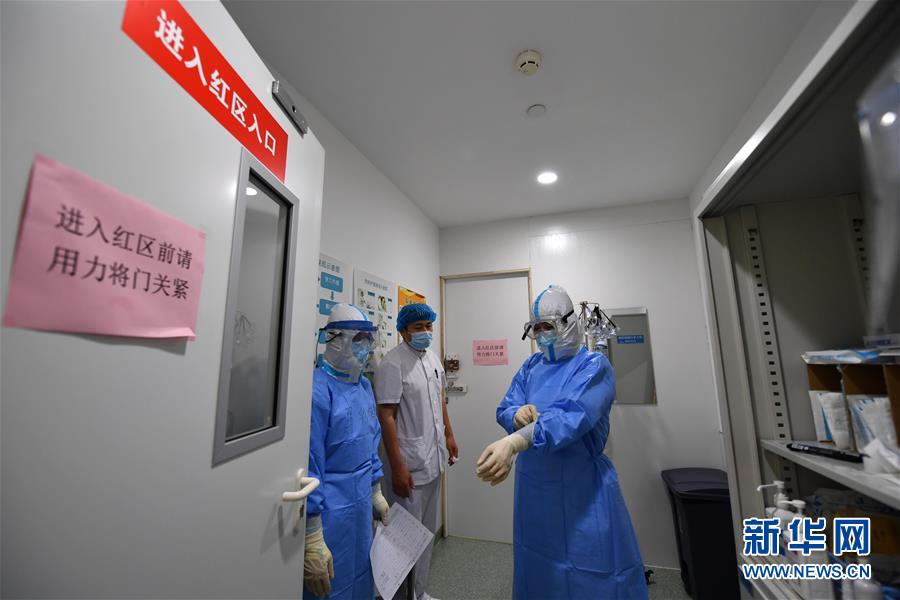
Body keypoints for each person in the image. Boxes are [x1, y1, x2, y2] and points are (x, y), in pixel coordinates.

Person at [476, 285, 648, 600]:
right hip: (534, 489)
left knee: (592, 574)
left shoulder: (593, 367)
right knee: (538, 569)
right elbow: (506, 406)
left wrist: (516, 441)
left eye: (549, 326)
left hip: (582, 491)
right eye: (537, 328)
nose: (542, 335)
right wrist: (516, 416)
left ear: (569, 323)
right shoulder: (531, 367)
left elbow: (570, 416)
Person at [304, 303, 392, 599]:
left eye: (368, 341)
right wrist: (312, 535)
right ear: (336, 340)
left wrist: (376, 490)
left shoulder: (362, 387)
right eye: (358, 340)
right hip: (330, 513)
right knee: (331, 585)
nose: (365, 349)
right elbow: (310, 464)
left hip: (361, 505)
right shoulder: (317, 391)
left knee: (362, 577)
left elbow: (371, 442)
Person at [375, 303, 459, 600]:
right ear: (403, 331)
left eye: (428, 326)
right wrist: (397, 467)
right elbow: (386, 415)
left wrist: (449, 434)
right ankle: (401, 597)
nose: (425, 331)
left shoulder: (432, 359)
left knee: (426, 534)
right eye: (418, 327)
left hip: (433, 459)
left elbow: (440, 399)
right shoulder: (392, 363)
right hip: (408, 465)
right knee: (403, 539)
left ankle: (419, 593)